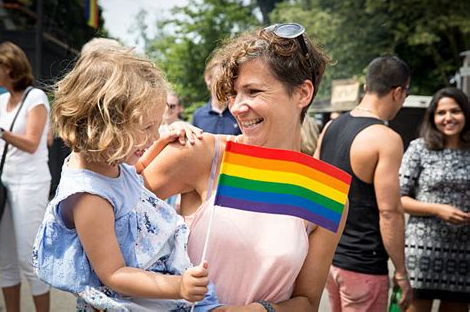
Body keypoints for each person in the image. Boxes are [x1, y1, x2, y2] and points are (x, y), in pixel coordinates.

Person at [140, 23, 348, 311]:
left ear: (303, 93)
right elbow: (113, 213)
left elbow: (307, 302)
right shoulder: (202, 153)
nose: (236, 107)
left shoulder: (325, 192)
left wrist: (254, 311)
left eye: (253, 91)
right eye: (234, 94)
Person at [32, 45, 220, 311]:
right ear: (105, 123)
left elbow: (134, 179)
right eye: (147, 127)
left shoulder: (107, 160)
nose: (155, 135)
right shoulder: (89, 197)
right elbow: (114, 274)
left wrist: (164, 140)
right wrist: (178, 287)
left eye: (158, 126)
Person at [314, 55, 412, 311]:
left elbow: (316, 190)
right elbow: (390, 212)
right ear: (398, 92)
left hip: (330, 261)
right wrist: (400, 270)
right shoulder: (385, 138)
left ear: (366, 86)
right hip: (365, 265)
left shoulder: (330, 127)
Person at [399, 87, 470, 312]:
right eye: (441, 113)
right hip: (423, 251)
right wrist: (437, 209)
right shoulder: (419, 149)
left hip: (464, 252)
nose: (448, 118)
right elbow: (397, 199)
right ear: (433, 117)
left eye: (455, 111)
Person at [0, 41, 51, 312]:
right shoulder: (1, 101)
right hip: (3, 181)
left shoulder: (36, 98)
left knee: (27, 257)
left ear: (8, 66)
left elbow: (31, 142)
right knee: (5, 260)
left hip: (30, 183)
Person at [191, 56, 241, 135]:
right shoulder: (198, 115)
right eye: (221, 78)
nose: (226, 82)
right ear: (208, 79)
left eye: (229, 78)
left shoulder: (238, 111)